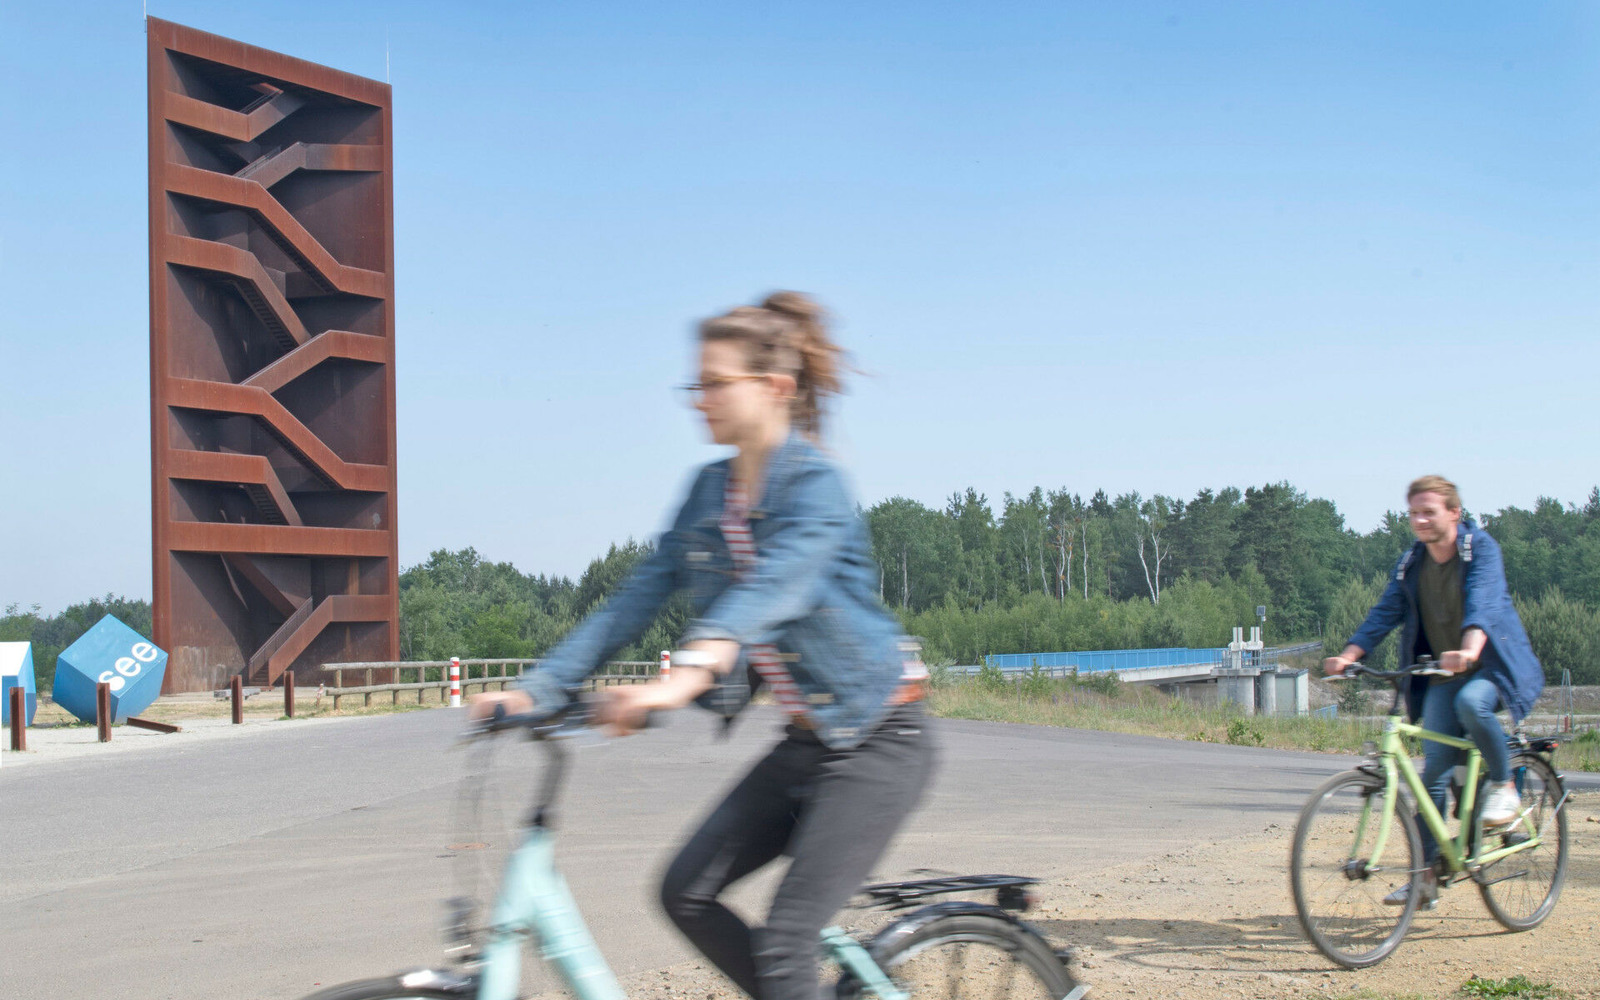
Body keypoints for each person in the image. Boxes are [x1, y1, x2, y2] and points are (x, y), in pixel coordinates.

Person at [470, 291, 936, 1000]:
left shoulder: (817, 488)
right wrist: (540, 689)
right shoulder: (707, 494)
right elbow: (634, 599)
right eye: (696, 385)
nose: (700, 401)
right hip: (807, 743)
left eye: (716, 383)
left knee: (785, 942)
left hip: (878, 741)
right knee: (685, 892)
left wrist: (681, 678)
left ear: (774, 386)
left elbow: (774, 587)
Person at [1325, 475, 1544, 907]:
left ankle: (1504, 785)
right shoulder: (1411, 563)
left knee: (1471, 703)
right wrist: (1349, 655)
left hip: (1493, 667)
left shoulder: (1480, 549)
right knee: (1432, 779)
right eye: (1413, 513)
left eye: (1429, 511)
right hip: (1443, 674)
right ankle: (1425, 877)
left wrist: (1470, 649)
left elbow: (1484, 601)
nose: (1419, 520)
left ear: (1454, 513)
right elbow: (1385, 612)